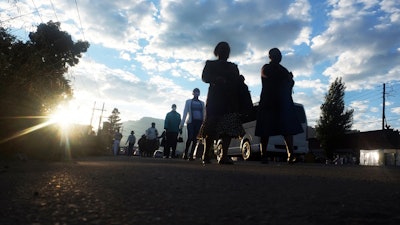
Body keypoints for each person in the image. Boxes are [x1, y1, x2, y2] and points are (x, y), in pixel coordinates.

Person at [199, 41, 245, 165]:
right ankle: (206, 154)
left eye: (226, 50)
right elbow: (204, 77)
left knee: (227, 127)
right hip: (215, 99)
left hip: (228, 99)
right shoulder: (211, 64)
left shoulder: (233, 67)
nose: (225, 52)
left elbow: (236, 81)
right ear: (217, 52)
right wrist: (216, 79)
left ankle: (223, 155)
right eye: (223, 50)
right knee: (211, 126)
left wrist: (239, 80)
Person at [255, 48, 303, 164]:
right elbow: (269, 76)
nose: (279, 56)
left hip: (281, 102)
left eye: (280, 54)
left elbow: (289, 84)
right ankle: (264, 154)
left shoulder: (283, 70)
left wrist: (290, 80)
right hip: (269, 101)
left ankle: (290, 154)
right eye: (277, 54)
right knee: (265, 130)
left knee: (287, 129)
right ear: (270, 56)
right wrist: (287, 79)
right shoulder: (266, 68)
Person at [180, 88, 205, 160]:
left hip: (199, 122)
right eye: (195, 92)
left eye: (198, 92)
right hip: (191, 122)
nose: (197, 93)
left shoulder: (202, 103)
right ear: (193, 93)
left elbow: (203, 113)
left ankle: (191, 155)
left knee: (195, 139)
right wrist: (181, 124)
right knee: (190, 137)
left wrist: (204, 122)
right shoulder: (188, 102)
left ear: (199, 94)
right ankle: (186, 153)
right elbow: (185, 113)